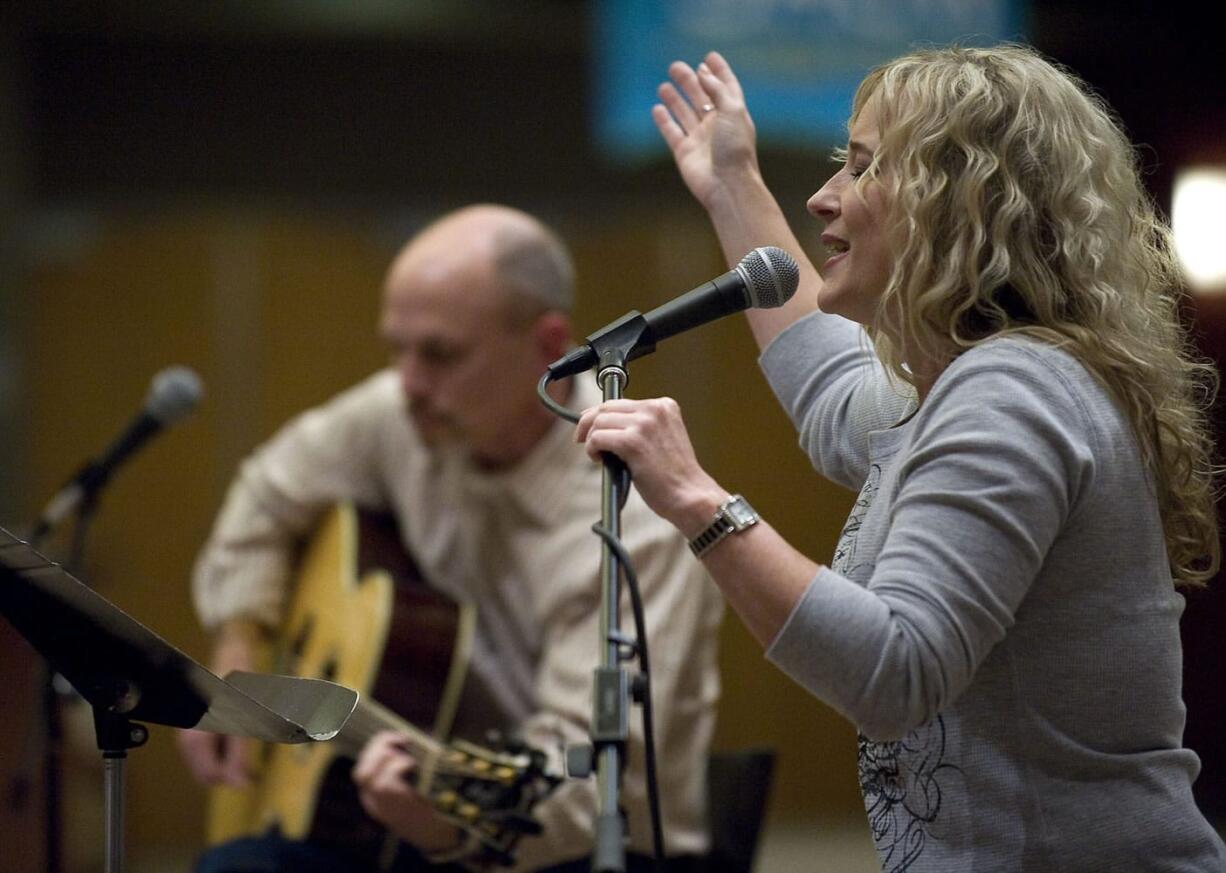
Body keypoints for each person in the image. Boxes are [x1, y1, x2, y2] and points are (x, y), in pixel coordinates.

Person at [577, 45, 1226, 870]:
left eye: (863, 168)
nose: (822, 198)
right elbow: (831, 396)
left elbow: (895, 671)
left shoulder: (1012, 390)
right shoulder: (980, 378)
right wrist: (731, 183)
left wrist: (694, 498)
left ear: (961, 202)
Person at [176, 204, 724, 873]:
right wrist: (244, 635)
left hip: (594, 847)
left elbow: (588, 791)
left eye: (439, 353)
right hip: (418, 810)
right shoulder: (404, 415)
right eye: (396, 348)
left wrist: (440, 822)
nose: (406, 381)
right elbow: (266, 493)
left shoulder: (636, 518)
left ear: (549, 345)